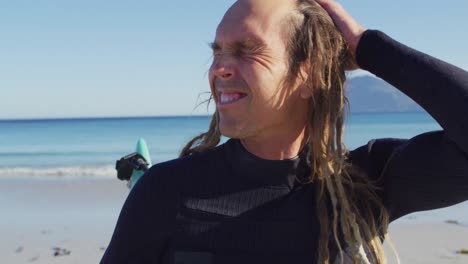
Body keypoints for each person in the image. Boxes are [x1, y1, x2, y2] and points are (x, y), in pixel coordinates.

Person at [100, 0, 468, 263]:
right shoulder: (165, 191)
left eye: (246, 50)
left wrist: (369, 47)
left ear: (309, 74)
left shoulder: (367, 182)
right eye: (218, 52)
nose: (220, 69)